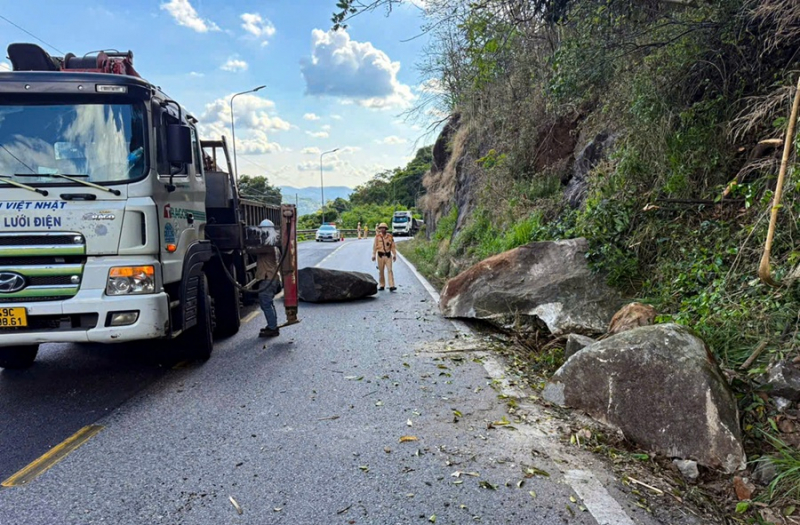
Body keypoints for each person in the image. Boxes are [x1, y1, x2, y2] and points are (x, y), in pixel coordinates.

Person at [255, 219, 282, 337]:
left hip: (268, 279)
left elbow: (251, 250)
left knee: (265, 302)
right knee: (268, 303)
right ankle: (272, 325)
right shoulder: (274, 246)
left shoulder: (266, 246)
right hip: (273, 278)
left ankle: (272, 327)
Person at [372, 222, 397, 291]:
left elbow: (393, 247)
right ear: (379, 229)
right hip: (380, 255)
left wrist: (394, 255)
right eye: (381, 228)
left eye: (384, 228)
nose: (383, 229)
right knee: (381, 271)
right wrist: (373, 255)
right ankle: (382, 285)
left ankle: (391, 285)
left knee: (389, 270)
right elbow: (375, 247)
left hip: (388, 256)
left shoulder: (390, 237)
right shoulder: (377, 237)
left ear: (386, 229)